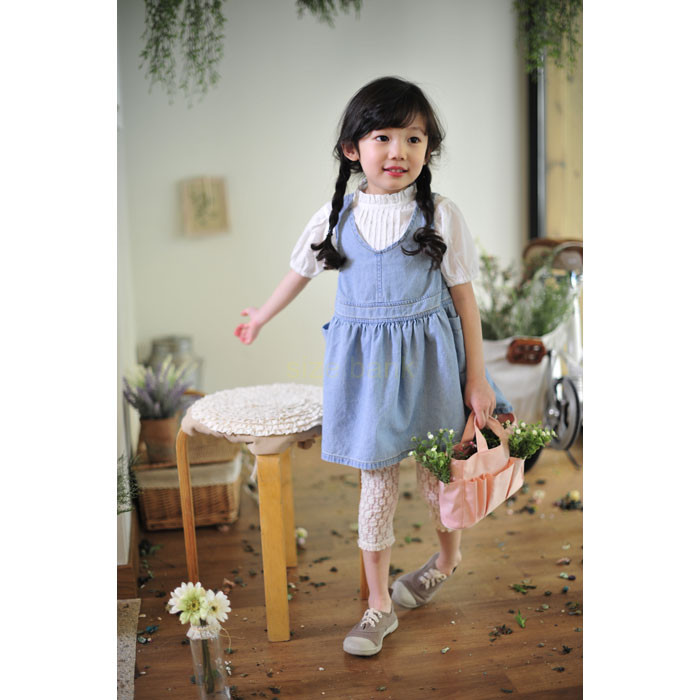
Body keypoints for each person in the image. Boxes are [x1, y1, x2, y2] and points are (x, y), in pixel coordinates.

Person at [234, 76, 512, 656]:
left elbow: (466, 301)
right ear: (351, 149)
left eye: (414, 138)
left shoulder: (440, 214)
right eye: (382, 137)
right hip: (368, 375)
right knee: (376, 486)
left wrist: (477, 378)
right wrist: (260, 315)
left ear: (428, 150)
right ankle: (379, 605)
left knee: (438, 480)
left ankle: (447, 559)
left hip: (434, 367)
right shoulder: (335, 216)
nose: (398, 151)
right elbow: (298, 273)